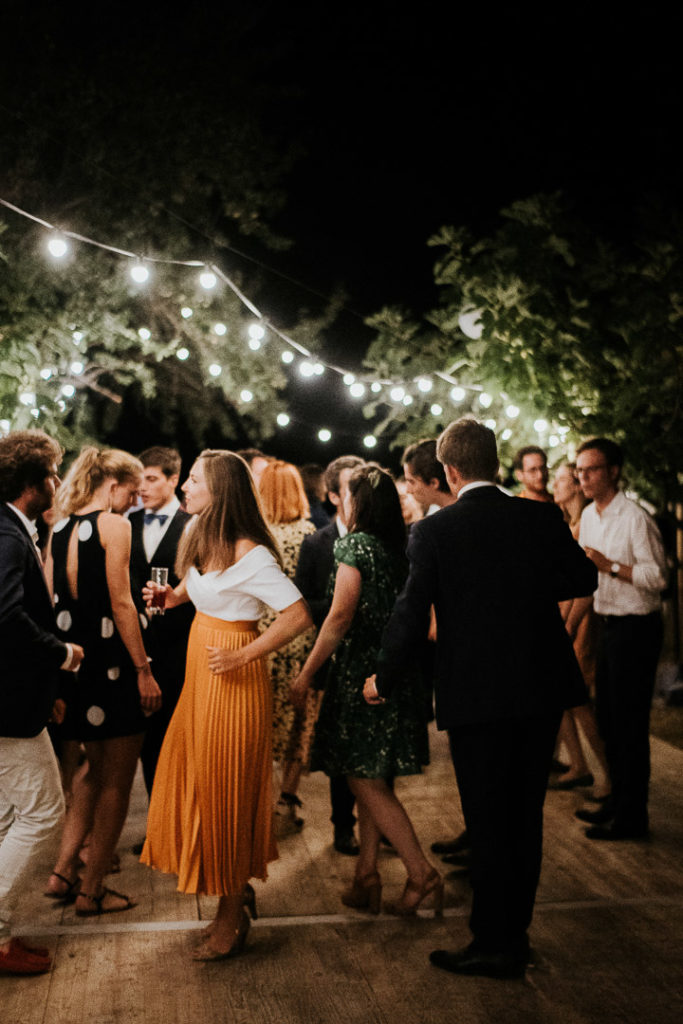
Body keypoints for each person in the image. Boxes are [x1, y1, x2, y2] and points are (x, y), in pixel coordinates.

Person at [368, 418, 597, 978]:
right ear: (496, 464)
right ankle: (512, 935)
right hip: (540, 686)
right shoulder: (539, 515)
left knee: (490, 820)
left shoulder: (435, 531)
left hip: (478, 691)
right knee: (524, 817)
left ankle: (494, 944)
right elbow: (582, 578)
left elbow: (410, 610)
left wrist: (384, 676)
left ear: (449, 470)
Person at [140, 450, 312, 962]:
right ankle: (230, 903)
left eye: (193, 480)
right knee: (199, 786)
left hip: (233, 685)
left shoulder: (250, 551)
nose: (185, 487)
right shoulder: (203, 538)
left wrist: (246, 653)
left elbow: (298, 614)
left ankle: (231, 916)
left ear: (220, 491)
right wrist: (171, 598)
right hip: (201, 677)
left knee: (227, 797)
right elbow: (205, 592)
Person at [292, 464, 438, 916]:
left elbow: (339, 617)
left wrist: (305, 674)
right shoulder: (402, 548)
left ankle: (421, 873)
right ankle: (367, 875)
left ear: (357, 503)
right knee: (374, 774)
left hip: (362, 674)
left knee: (361, 775)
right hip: (398, 671)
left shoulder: (353, 545)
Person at [44, 447, 162, 916]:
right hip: (111, 666)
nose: (133, 501)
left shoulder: (58, 528)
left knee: (89, 774)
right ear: (111, 485)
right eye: (131, 492)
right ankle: (92, 891)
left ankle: (62, 871)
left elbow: (51, 604)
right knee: (118, 778)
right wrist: (143, 669)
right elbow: (122, 604)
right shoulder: (115, 527)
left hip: (74, 666)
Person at [0, 430, 84, 976]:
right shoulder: (8, 537)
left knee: (7, 814)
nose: (58, 482)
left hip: (15, 698)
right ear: (32, 483)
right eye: (53, 474)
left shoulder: (12, 529)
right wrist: (61, 655)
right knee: (43, 810)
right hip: (6, 706)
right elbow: (5, 616)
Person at [573, 439, 667, 840]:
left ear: (613, 470)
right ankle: (617, 800)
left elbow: (657, 578)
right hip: (608, 622)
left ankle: (633, 817)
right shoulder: (591, 516)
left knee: (630, 724)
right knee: (608, 718)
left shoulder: (635, 518)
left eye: (591, 470)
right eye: (579, 471)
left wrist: (609, 566)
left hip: (637, 627)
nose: (583, 478)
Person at [294, 455, 365, 855]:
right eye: (352, 488)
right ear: (334, 496)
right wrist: (344, 605)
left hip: (372, 658)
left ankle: (379, 823)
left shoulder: (388, 537)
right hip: (334, 658)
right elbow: (304, 605)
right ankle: (343, 825)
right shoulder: (316, 543)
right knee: (342, 750)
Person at [128, 446, 194, 798]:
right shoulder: (127, 522)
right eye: (139, 479)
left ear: (174, 480)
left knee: (179, 740)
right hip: (137, 645)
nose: (142, 487)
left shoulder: (192, 525)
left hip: (181, 646)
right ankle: (157, 828)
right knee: (147, 745)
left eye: (151, 479)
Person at [257, 460, 318, 836]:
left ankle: (260, 804)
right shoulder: (310, 534)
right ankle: (286, 801)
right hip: (298, 639)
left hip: (262, 638)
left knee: (262, 727)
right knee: (298, 727)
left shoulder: (255, 537)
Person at [551, 463, 610, 796]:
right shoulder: (572, 522)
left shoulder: (584, 522)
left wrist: (569, 623)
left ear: (575, 485)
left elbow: (585, 582)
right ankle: (578, 764)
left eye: (560, 479)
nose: (553, 485)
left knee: (579, 699)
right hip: (568, 617)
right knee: (563, 695)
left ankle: (608, 772)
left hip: (583, 617)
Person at [402, 439, 455, 515]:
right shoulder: (432, 514)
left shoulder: (431, 524)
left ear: (433, 483)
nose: (408, 490)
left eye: (412, 482)